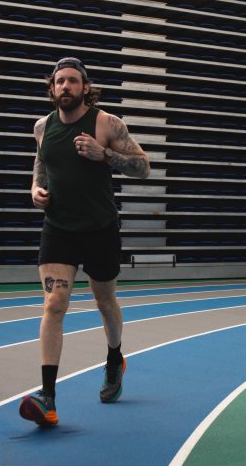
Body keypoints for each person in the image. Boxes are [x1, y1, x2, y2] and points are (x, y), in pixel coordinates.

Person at [18, 57, 151, 427]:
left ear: (85, 87)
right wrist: (34, 188)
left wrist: (104, 154)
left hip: (100, 229)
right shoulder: (43, 127)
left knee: (105, 300)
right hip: (58, 227)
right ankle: (48, 398)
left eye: (72, 81)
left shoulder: (108, 124)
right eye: (59, 82)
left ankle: (114, 358)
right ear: (52, 88)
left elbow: (144, 166)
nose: (65, 87)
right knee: (54, 304)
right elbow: (41, 162)